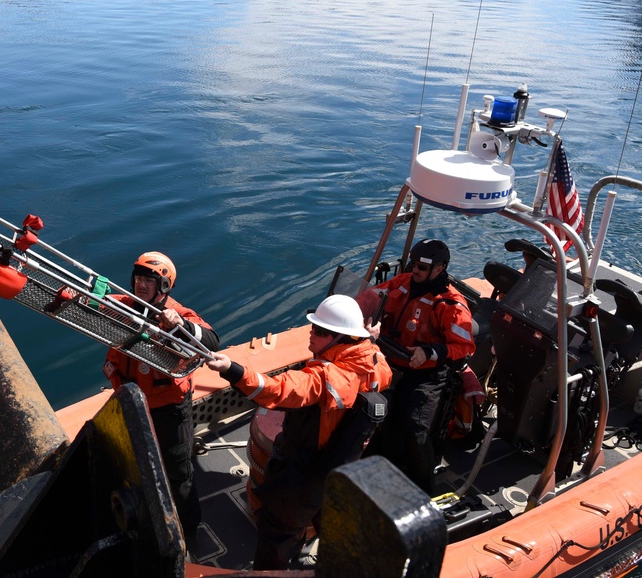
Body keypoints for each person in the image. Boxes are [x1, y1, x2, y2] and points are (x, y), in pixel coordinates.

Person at [206, 294, 392, 569]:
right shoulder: (376, 361)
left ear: (341, 337)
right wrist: (369, 338)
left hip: (306, 471)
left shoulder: (326, 378)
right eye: (312, 327)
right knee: (331, 523)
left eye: (320, 331)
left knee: (276, 532)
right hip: (342, 466)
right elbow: (372, 360)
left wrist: (232, 370)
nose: (311, 335)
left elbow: (276, 390)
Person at [103, 251, 219, 549]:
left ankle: (189, 531)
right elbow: (95, 303)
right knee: (138, 462)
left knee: (179, 472)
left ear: (164, 286)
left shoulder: (179, 314)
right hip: (133, 403)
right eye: (138, 279)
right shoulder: (128, 306)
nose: (140, 285)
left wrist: (178, 324)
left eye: (148, 281)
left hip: (168, 410)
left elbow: (211, 340)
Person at [371, 238, 475, 493]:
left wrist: (430, 352)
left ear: (439, 269)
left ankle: (423, 487)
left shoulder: (450, 305)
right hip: (390, 361)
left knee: (415, 428)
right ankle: (374, 468)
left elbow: (465, 347)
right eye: (413, 264)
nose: (415, 270)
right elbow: (371, 297)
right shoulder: (402, 283)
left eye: (421, 267)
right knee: (372, 413)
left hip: (426, 373)